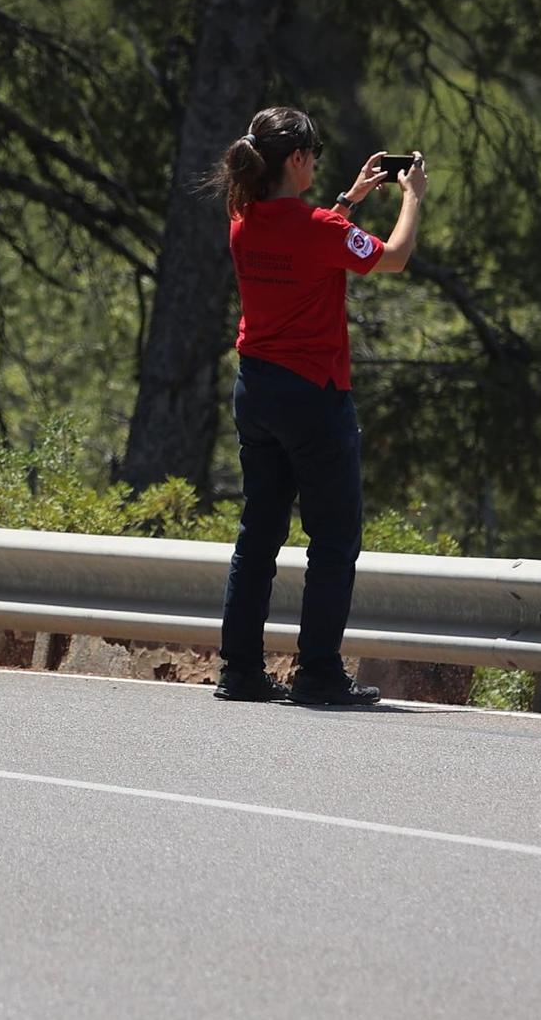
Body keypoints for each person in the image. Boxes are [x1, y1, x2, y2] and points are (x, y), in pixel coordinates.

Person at [207, 107, 427, 706]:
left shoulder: (242, 219)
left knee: (259, 534)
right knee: (332, 541)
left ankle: (242, 672)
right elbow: (395, 256)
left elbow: (309, 236)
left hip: (257, 390)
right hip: (313, 396)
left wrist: (347, 200)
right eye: (314, 153)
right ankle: (320, 674)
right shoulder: (319, 231)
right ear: (297, 160)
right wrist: (413, 197)